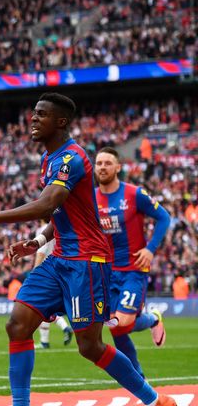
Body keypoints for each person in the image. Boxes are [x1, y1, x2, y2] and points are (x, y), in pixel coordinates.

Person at [0, 93, 174, 406]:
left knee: (90, 346)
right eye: (34, 113)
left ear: (61, 121)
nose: (33, 119)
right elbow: (63, 213)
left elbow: (48, 203)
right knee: (17, 324)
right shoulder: (49, 160)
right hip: (61, 258)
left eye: (41, 114)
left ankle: (153, 399)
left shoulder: (72, 157)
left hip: (87, 260)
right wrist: (38, 241)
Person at [94, 147, 171, 377]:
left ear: (118, 167)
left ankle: (152, 319)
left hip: (133, 269)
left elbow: (164, 217)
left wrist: (150, 249)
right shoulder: (91, 198)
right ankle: (141, 383)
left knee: (124, 323)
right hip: (106, 271)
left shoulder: (134, 194)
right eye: (99, 163)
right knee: (116, 329)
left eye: (108, 163)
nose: (103, 167)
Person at [33, 238, 73, 348]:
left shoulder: (43, 231)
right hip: (59, 272)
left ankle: (62, 330)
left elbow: (41, 253)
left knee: (41, 307)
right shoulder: (57, 230)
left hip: (46, 274)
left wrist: (34, 274)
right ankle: (45, 341)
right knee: (47, 308)